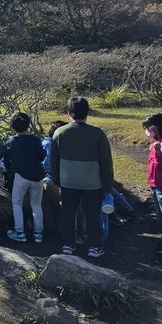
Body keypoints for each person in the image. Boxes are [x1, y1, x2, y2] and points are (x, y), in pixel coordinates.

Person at [51, 97, 113, 258]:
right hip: (92, 183)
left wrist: (56, 179)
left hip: (68, 181)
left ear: (68, 113)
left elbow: (54, 160)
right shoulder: (97, 134)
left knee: (68, 214)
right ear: (88, 113)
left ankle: (68, 244)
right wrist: (107, 185)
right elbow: (106, 162)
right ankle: (94, 247)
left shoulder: (60, 132)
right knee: (92, 215)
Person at [3, 113, 47, 243]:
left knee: (17, 203)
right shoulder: (35, 140)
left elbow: (6, 158)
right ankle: (38, 233)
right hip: (38, 175)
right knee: (36, 204)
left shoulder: (11, 141)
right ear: (28, 125)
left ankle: (19, 232)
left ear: (13, 126)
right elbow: (42, 155)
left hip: (21, 176)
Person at [143, 113, 162, 256]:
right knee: (158, 212)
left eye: (148, 128)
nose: (146, 132)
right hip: (154, 183)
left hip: (160, 184)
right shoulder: (155, 142)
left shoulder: (160, 144)